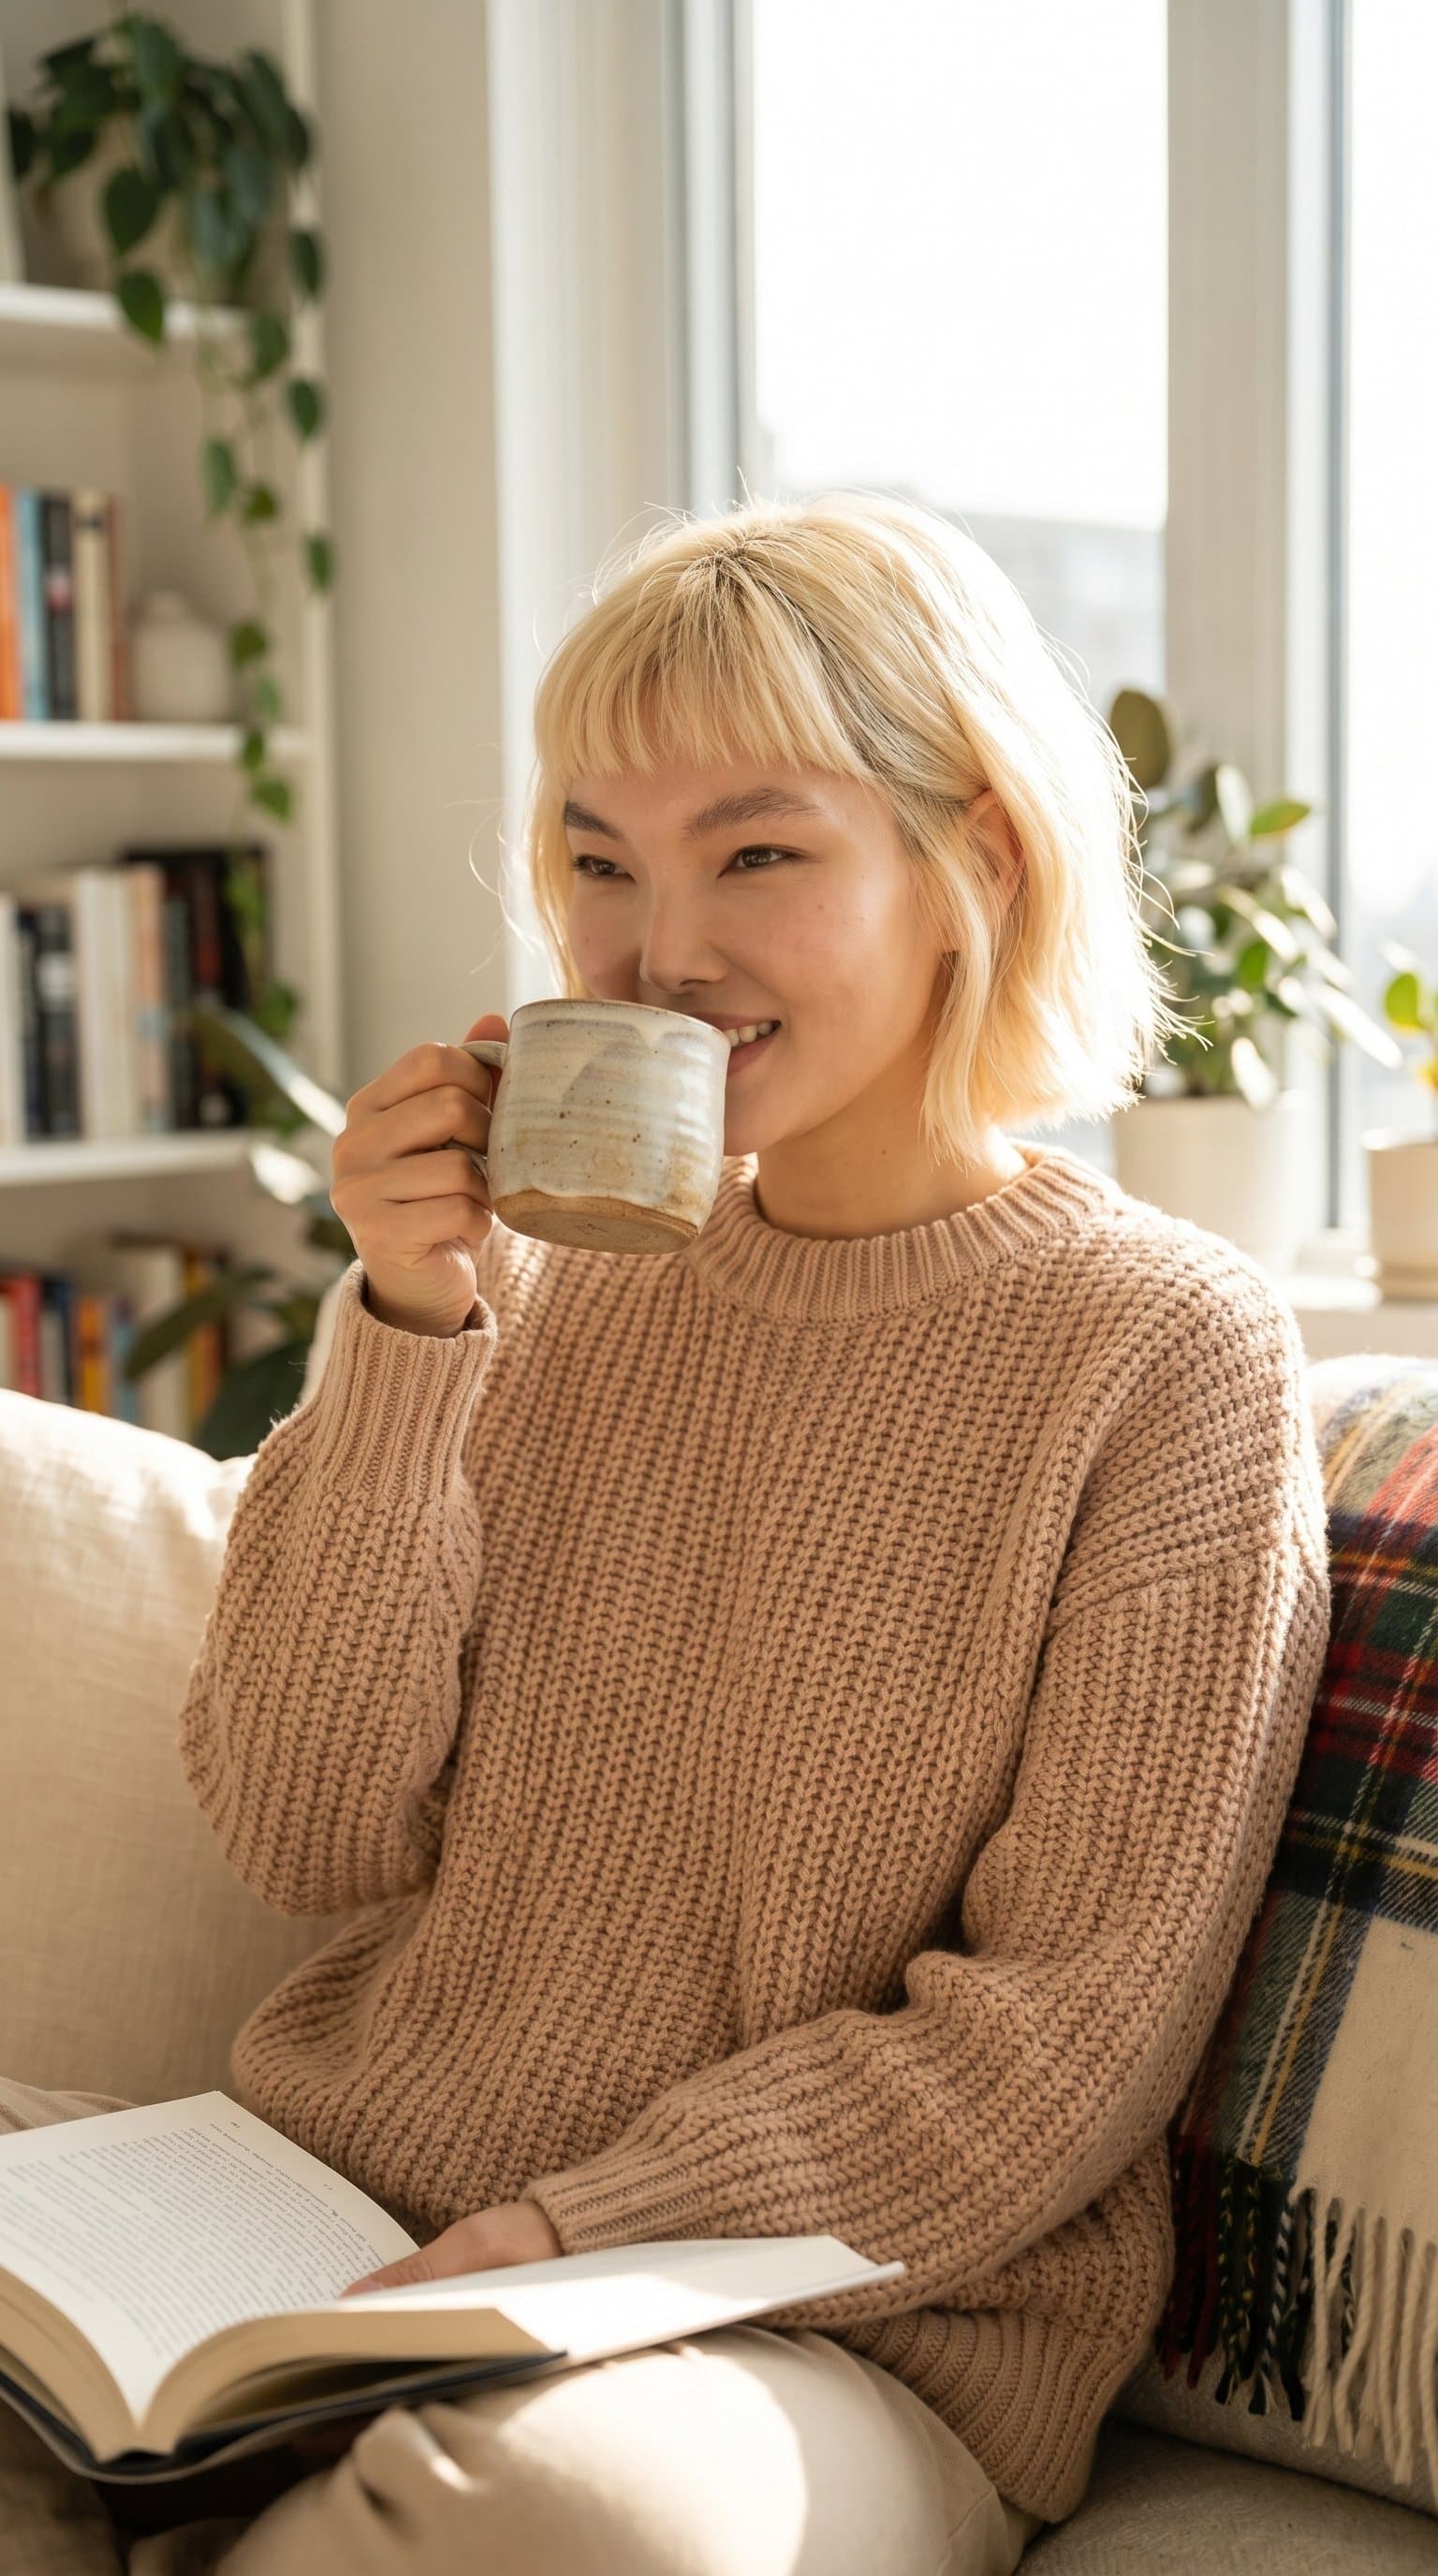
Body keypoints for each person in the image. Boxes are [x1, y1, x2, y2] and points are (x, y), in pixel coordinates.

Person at [0, 491, 1331, 2574]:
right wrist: (408, 1324)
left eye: (758, 853)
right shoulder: (527, 1286)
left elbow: (1060, 2031)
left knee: (563, 2515)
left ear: (977, 858)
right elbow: (301, 1823)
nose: (661, 949)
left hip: (809, 2320)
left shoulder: (1166, 1354)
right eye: (602, 861)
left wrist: (576, 2231)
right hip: (340, 2225)